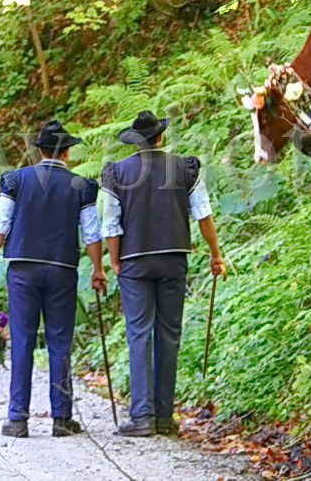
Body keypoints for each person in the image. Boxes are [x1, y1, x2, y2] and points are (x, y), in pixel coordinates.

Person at [101, 110, 225, 437]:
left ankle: (141, 416)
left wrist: (115, 261)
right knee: (169, 334)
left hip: (134, 262)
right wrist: (216, 254)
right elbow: (203, 215)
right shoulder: (184, 168)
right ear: (160, 138)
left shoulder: (117, 173)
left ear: (135, 142)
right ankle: (165, 417)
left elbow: (111, 224)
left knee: (139, 333)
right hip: (174, 258)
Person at [0, 120, 106, 438]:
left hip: (22, 269)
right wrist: (98, 269)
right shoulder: (81, 186)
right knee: (60, 340)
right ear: (67, 152)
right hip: (62, 269)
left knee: (21, 339)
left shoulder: (16, 180)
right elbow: (91, 232)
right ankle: (62, 418)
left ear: (41, 151)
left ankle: (17, 419)